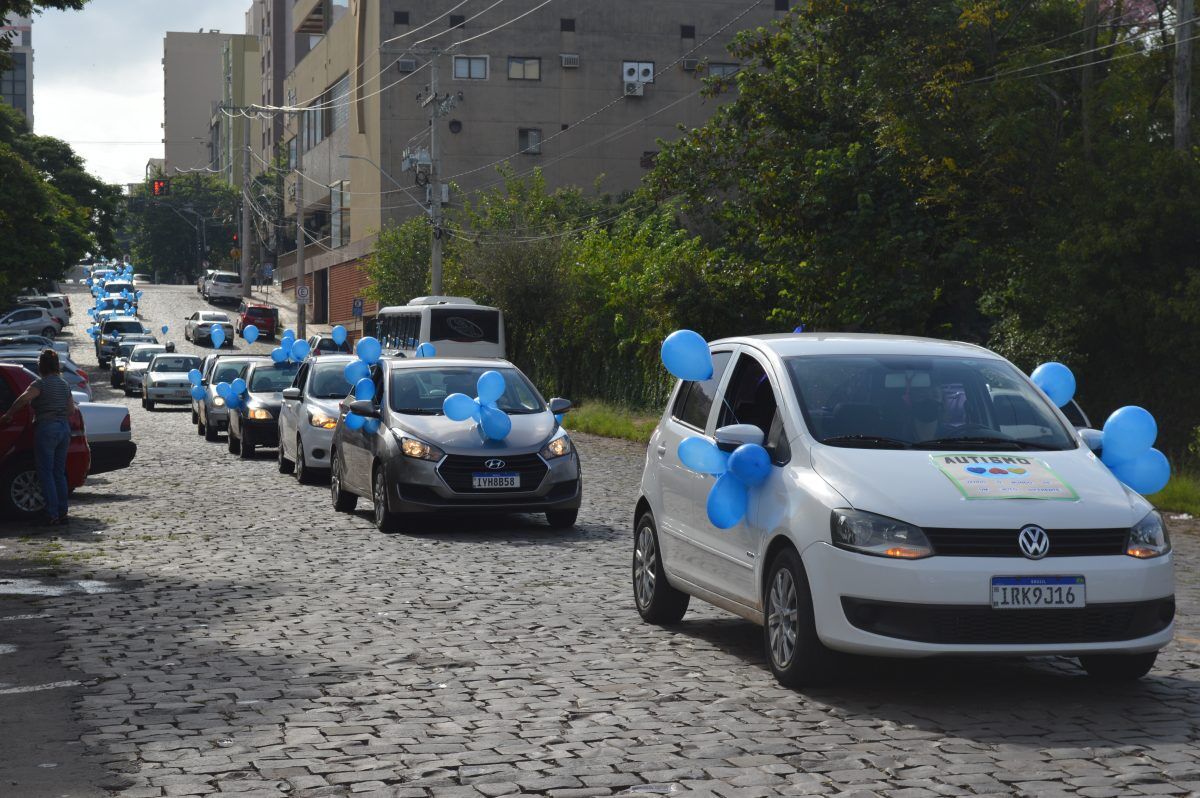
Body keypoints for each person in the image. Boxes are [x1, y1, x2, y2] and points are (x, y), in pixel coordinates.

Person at [0, 349, 75, 525]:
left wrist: (9, 414)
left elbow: (24, 399)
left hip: (47, 428)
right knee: (59, 472)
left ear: (41, 366)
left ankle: (52, 514)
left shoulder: (40, 384)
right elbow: (71, 410)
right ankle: (63, 512)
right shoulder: (64, 384)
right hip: (64, 429)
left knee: (46, 472)